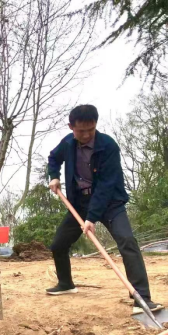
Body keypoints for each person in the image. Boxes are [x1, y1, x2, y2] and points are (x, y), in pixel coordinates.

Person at [47, 105, 163, 314]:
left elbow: (106, 185)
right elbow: (53, 158)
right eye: (81, 131)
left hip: (110, 203)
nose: (86, 135)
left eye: (90, 129)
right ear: (71, 127)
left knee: (127, 241)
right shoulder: (68, 143)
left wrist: (92, 217)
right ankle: (65, 283)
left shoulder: (108, 146)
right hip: (79, 204)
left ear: (96, 125)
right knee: (58, 244)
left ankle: (142, 299)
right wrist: (54, 176)